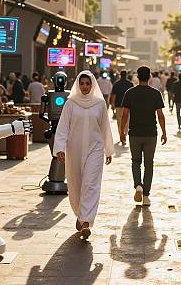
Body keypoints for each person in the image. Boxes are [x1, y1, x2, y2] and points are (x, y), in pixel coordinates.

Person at [53, 71, 114, 240]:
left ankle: (86, 221)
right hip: (74, 149)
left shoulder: (100, 104)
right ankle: (80, 215)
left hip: (95, 149)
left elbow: (105, 128)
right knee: (76, 184)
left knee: (91, 183)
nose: (85, 87)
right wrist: (60, 148)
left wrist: (108, 150)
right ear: (78, 85)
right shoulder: (71, 104)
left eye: (88, 83)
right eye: (82, 84)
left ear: (92, 84)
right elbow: (63, 127)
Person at [120, 66, 167, 206]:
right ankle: (146, 196)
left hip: (134, 133)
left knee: (135, 162)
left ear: (137, 77)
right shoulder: (155, 93)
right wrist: (164, 132)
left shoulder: (130, 93)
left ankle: (138, 185)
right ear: (150, 77)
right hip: (151, 133)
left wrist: (122, 131)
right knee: (149, 164)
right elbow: (160, 115)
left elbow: (125, 114)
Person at [110, 70, 134, 144]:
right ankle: (124, 135)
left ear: (120, 75)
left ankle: (121, 135)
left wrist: (113, 104)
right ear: (126, 75)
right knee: (127, 121)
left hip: (118, 105)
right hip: (128, 106)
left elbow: (114, 95)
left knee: (119, 121)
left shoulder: (116, 84)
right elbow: (132, 95)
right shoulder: (130, 84)